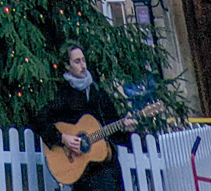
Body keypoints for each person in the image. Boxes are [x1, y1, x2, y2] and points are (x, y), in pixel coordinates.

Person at [34, 43, 135, 191]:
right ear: (67, 66)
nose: (83, 65)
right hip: (84, 173)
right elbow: (39, 121)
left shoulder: (98, 93)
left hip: (107, 169)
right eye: (77, 61)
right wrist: (63, 138)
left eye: (83, 60)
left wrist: (126, 128)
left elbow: (114, 130)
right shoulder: (63, 95)